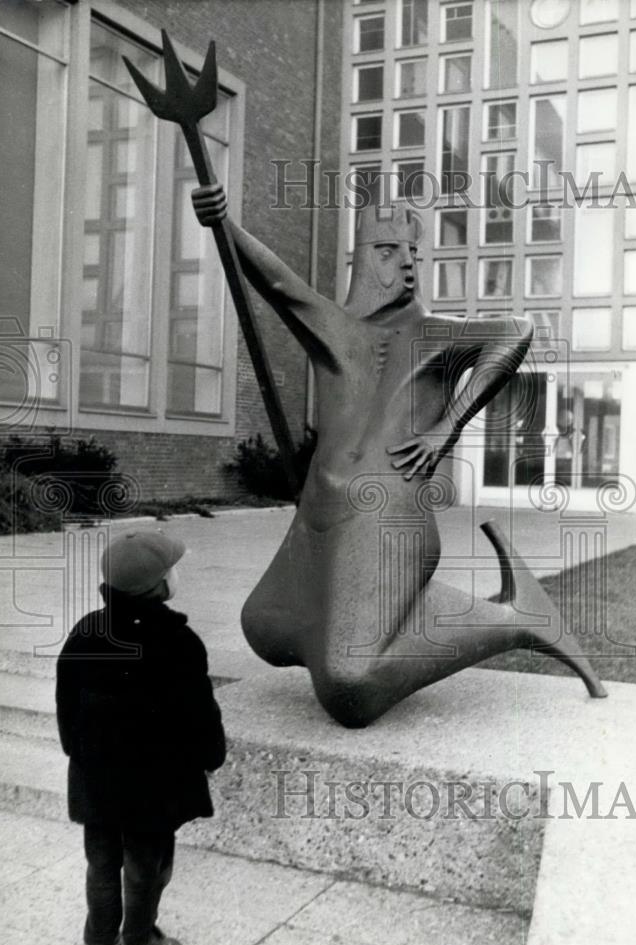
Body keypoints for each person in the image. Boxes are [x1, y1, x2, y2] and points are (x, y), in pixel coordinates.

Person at [191, 187, 606, 727]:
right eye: (388, 251)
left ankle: (516, 618)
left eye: (414, 254)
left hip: (389, 519)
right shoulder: (334, 328)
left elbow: (515, 331)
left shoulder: (436, 334)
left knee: (350, 685)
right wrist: (224, 224)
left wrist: (445, 429)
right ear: (362, 258)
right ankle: (439, 614)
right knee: (266, 626)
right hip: (321, 517)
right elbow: (275, 281)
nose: (407, 264)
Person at [56, 530, 227, 945]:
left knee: (101, 859)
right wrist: (211, 755)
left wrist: (77, 750)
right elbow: (199, 712)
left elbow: (66, 703)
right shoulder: (178, 641)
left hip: (96, 776)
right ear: (159, 585)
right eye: (172, 570)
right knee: (146, 863)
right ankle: (139, 944)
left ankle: (97, 940)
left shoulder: (85, 632)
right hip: (154, 782)